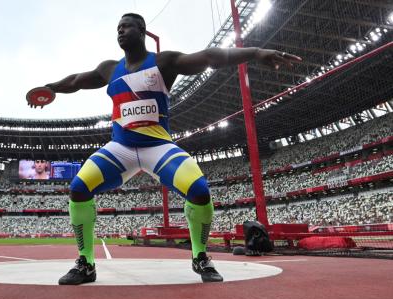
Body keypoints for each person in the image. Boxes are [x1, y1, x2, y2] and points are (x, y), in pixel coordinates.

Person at [35, 13, 301, 285]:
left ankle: (200, 256)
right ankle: (86, 263)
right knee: (78, 188)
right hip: (120, 148)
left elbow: (210, 57)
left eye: (126, 26)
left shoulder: (164, 62)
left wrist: (256, 52)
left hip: (158, 146)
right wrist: (51, 88)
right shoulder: (109, 69)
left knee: (199, 191)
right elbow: (78, 80)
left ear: (141, 31)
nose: (120, 31)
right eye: (118, 28)